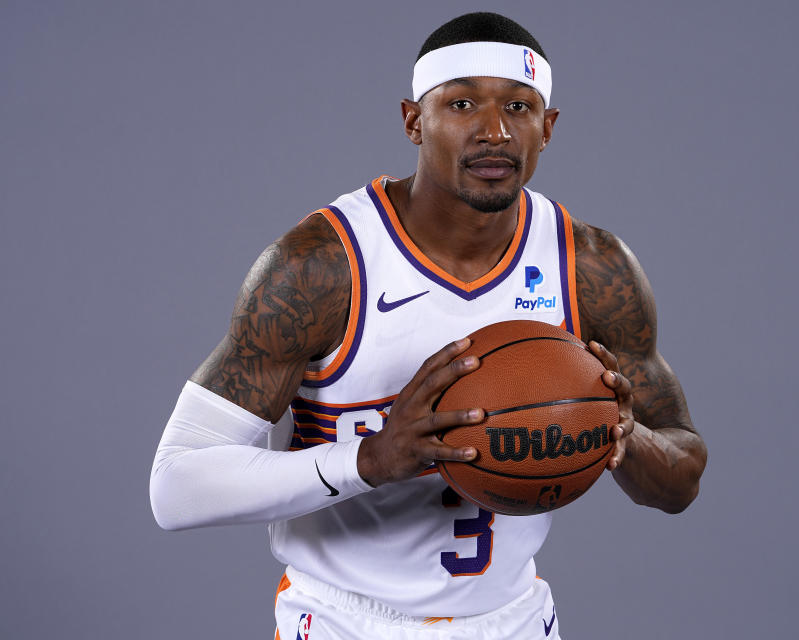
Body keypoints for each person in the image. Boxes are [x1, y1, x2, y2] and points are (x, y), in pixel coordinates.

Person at [150, 12, 707, 640]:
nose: (494, 131)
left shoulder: (590, 266)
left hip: (515, 621)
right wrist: (370, 459)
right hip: (344, 621)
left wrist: (623, 438)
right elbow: (176, 488)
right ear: (415, 119)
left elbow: (682, 475)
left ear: (547, 129)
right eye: (463, 103)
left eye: (519, 108)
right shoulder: (323, 267)